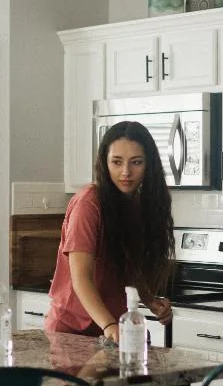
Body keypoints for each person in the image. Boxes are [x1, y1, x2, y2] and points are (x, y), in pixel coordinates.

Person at [45, 120, 175, 342]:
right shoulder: (89, 202)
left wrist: (149, 300)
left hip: (112, 329)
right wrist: (110, 325)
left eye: (136, 162)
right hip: (71, 330)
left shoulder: (138, 205)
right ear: (104, 163)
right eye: (117, 162)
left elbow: (128, 265)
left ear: (149, 165)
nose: (126, 172)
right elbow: (81, 278)